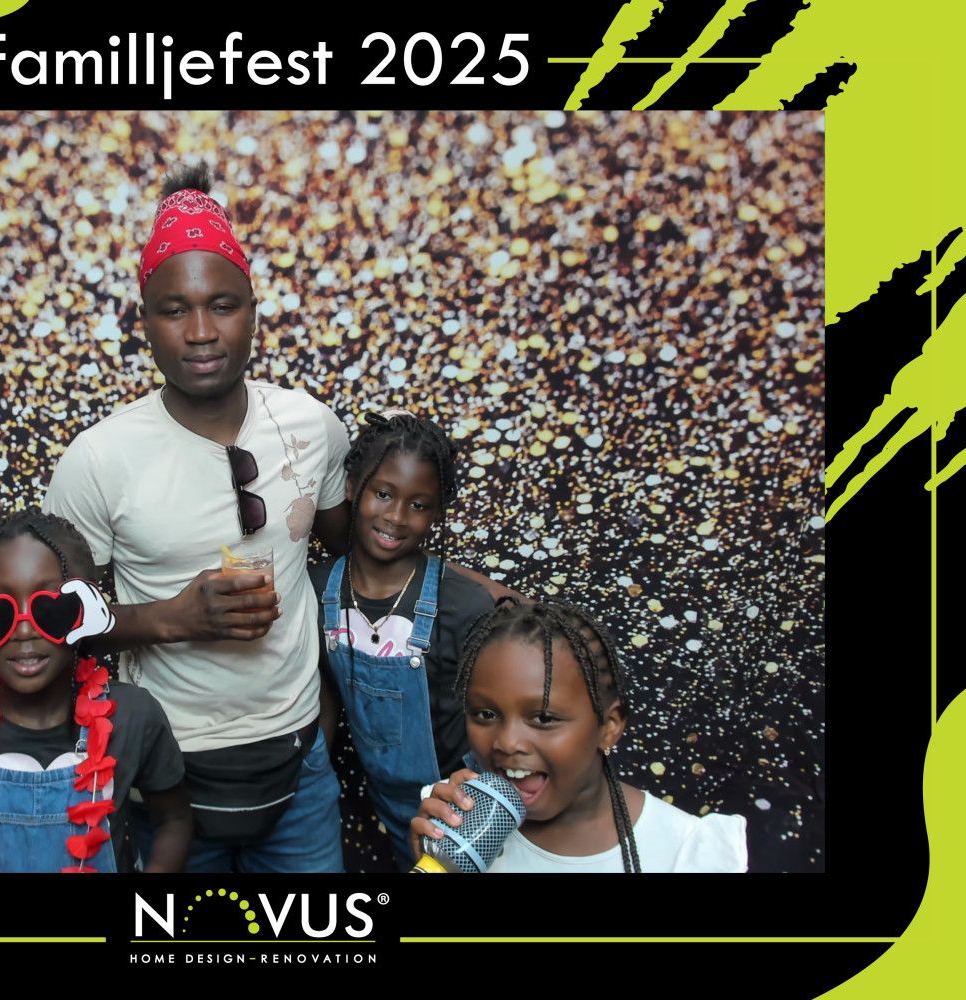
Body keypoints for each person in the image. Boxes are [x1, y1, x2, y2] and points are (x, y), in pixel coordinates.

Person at [42, 165, 351, 872]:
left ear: (255, 311)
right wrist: (174, 618)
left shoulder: (312, 426)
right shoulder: (98, 459)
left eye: (223, 305)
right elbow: (49, 621)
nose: (202, 332)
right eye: (175, 310)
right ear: (144, 322)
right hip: (166, 768)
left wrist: (471, 587)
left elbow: (358, 554)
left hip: (300, 761)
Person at [0, 508, 191, 872]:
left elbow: (174, 819)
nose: (24, 632)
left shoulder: (133, 716)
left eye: (50, 609)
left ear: (84, 612)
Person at [410, 599, 747, 872]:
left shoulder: (685, 852)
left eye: (543, 718)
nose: (507, 742)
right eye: (486, 714)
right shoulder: (452, 822)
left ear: (609, 727)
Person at [312, 409, 496, 867]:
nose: (396, 517)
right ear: (351, 487)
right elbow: (323, 693)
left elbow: (495, 716)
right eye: (383, 494)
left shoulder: (463, 605)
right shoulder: (317, 590)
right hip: (385, 805)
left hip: (462, 809)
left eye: (418, 505)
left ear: (437, 513)